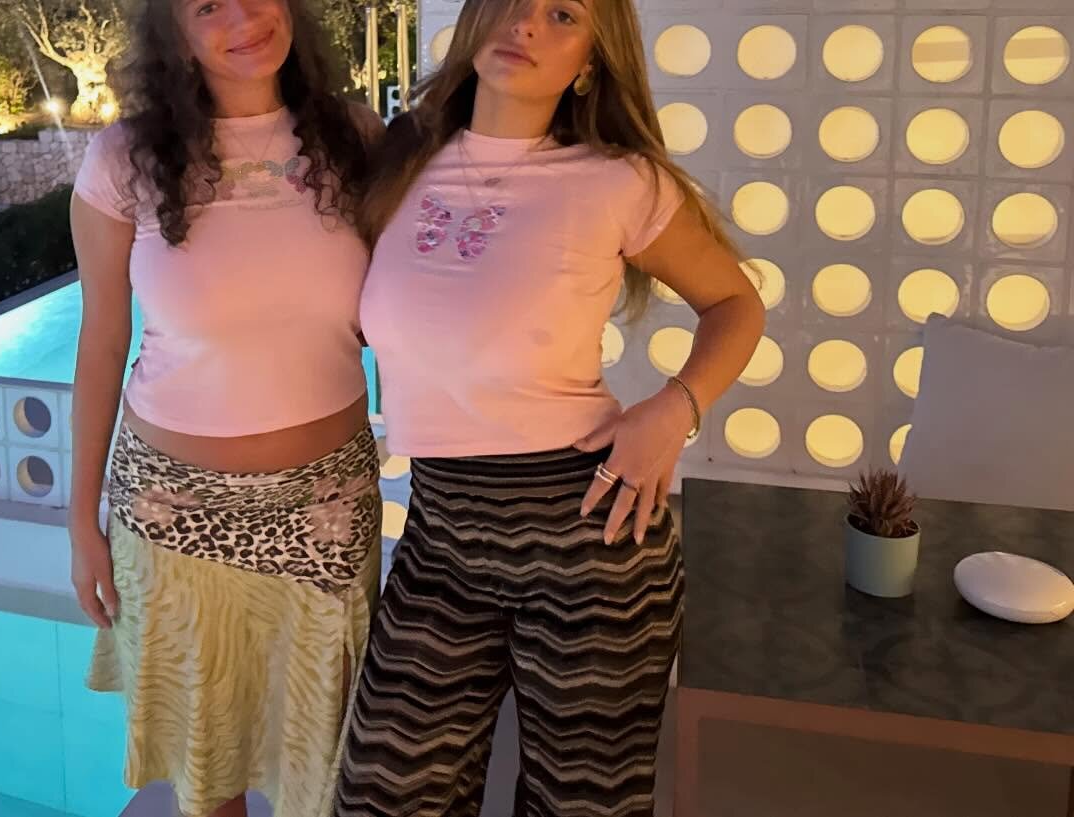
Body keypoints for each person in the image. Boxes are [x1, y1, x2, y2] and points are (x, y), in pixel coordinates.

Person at [334, 0, 766, 815]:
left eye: (563, 14)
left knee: (579, 805)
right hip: (441, 535)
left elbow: (737, 304)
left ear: (592, 59)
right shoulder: (401, 160)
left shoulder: (617, 181)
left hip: (588, 538)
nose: (525, 23)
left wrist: (675, 407)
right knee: (381, 794)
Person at [64, 1, 385, 816]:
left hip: (327, 513)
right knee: (209, 778)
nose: (243, 17)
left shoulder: (355, 138)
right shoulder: (122, 159)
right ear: (173, 31)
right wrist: (79, 521)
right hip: (171, 518)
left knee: (328, 769)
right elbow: (101, 342)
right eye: (208, 4)